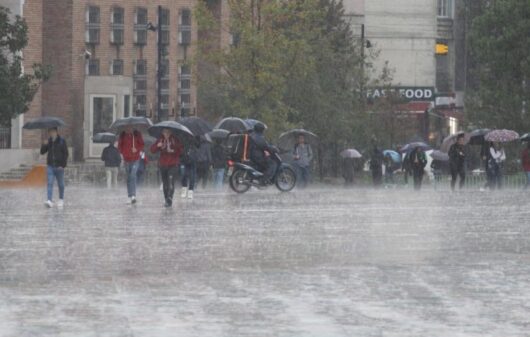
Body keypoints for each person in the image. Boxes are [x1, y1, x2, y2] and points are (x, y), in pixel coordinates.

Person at [150, 128, 183, 207]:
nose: (166, 134)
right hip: (163, 164)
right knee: (165, 183)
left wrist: (174, 150)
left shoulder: (175, 140)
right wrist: (157, 146)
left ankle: (170, 198)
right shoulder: (160, 140)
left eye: (168, 132)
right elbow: (152, 150)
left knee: (171, 181)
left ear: (171, 132)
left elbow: (181, 151)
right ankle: (166, 199)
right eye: (164, 132)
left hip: (173, 164)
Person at [40, 127, 69, 208]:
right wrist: (44, 144)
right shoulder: (49, 141)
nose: (51, 133)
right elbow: (42, 152)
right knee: (50, 183)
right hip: (50, 166)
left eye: (53, 132)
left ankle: (61, 199)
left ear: (56, 132)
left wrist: (62, 165)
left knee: (61, 184)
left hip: (59, 167)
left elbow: (66, 154)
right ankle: (49, 200)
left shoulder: (62, 141)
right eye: (50, 132)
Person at [118, 126, 144, 204]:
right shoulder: (122, 135)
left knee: (133, 175)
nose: (128, 129)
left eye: (130, 127)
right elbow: (120, 146)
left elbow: (142, 144)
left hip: (135, 158)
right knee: (129, 177)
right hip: (127, 159)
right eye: (126, 127)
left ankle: (133, 195)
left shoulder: (137, 134)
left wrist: (137, 149)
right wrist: (122, 154)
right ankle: (129, 195)